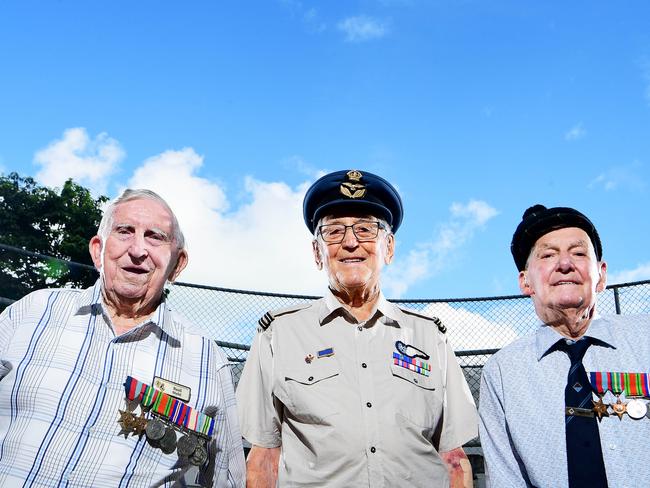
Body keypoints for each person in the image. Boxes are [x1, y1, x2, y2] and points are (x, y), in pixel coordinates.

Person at [237, 169, 478, 487]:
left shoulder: (430, 337)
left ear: (389, 248)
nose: (350, 242)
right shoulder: (277, 335)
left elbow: (453, 458)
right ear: (317, 253)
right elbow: (264, 458)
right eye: (334, 231)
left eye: (366, 229)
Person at [0, 189, 245, 487]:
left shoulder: (208, 360)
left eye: (155, 236)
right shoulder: (32, 311)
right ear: (97, 250)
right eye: (125, 231)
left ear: (177, 265)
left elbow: (227, 479)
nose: (138, 249)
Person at [479, 204, 650, 487]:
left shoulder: (645, 338)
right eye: (547, 255)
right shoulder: (502, 373)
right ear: (525, 281)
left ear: (601, 274)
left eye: (579, 253)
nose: (565, 264)